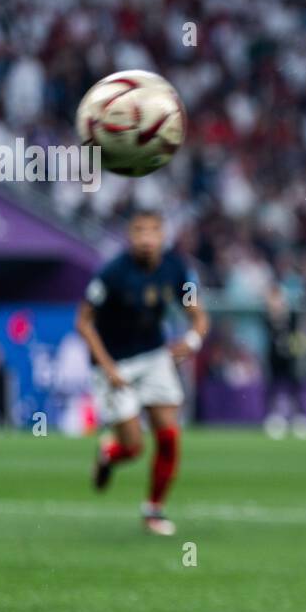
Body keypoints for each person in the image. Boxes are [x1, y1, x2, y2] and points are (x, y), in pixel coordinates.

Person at [75, 209, 209, 536]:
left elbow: (198, 316)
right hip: (115, 364)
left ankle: (153, 509)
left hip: (153, 357)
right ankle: (108, 454)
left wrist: (192, 340)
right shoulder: (112, 274)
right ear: (129, 237)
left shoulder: (176, 268)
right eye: (139, 231)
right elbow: (84, 321)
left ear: (163, 236)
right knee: (133, 448)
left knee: (168, 434)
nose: (146, 238)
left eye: (153, 231)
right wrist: (108, 368)